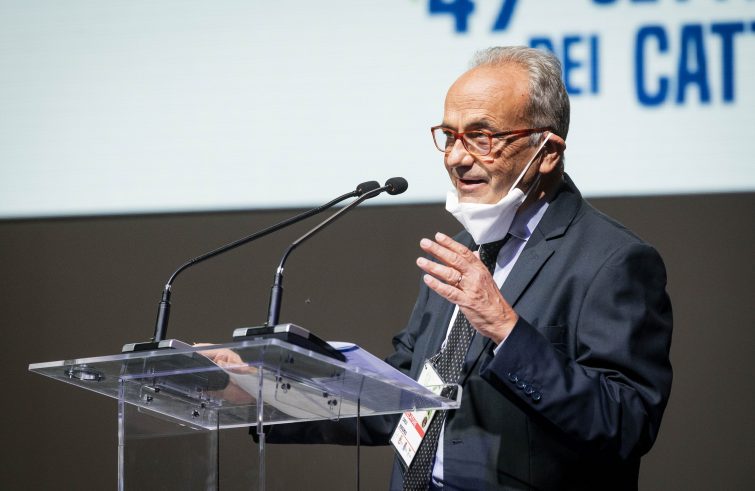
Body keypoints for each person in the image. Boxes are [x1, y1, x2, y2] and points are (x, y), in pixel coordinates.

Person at [260, 46, 673, 490]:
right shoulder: (463, 250)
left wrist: (507, 330)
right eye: (449, 136)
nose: (456, 158)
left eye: (481, 137)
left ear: (548, 152)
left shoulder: (613, 261)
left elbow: (627, 423)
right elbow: (401, 397)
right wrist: (263, 390)